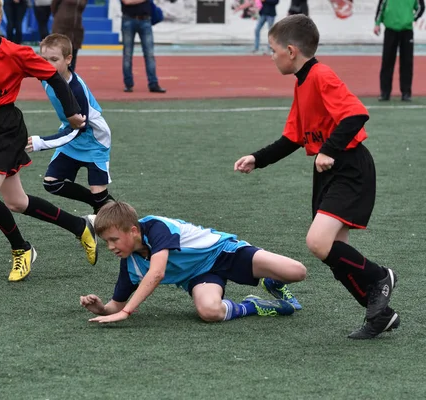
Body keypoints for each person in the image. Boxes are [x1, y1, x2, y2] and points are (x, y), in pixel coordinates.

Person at [234, 15, 400, 339]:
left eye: (273, 50)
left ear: (291, 51)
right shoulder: (301, 82)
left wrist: (330, 150)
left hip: (349, 167)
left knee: (317, 242)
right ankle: (379, 314)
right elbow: (293, 138)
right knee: (334, 254)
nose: (271, 56)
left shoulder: (322, 75)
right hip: (328, 172)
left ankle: (381, 277)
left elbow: (355, 114)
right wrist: (258, 158)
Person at [0, 0, 98, 283]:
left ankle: (22, 249)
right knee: (16, 202)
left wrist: (72, 114)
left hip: (9, 127)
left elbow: (54, 77)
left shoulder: (15, 52)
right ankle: (79, 226)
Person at [80, 201, 306, 324]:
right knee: (209, 312)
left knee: (297, 272)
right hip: (199, 277)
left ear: (133, 230)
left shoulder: (157, 227)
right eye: (106, 242)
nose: (110, 247)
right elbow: (114, 307)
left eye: (114, 240)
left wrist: (127, 312)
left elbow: (156, 273)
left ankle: (273, 283)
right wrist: (101, 308)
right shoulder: (130, 265)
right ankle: (254, 305)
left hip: (224, 252)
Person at [26, 34, 114, 215]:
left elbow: (78, 129)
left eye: (54, 59)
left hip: (93, 140)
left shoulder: (76, 89)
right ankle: (101, 204)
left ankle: (114, 214)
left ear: (68, 59)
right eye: (44, 59)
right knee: (52, 183)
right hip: (71, 136)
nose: (47, 64)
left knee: (100, 194)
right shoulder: (45, 76)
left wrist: (40, 142)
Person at [374, 0, 425, 101]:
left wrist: (412, 18)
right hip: (390, 29)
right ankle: (385, 93)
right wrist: (377, 23)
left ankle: (406, 93)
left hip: (407, 30)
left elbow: (421, 7)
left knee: (407, 62)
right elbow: (381, 6)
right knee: (387, 61)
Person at [121, 0, 166, 93]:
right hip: (128, 19)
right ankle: (128, 84)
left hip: (145, 20)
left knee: (149, 54)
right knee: (127, 55)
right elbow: (126, 2)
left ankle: (153, 83)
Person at [51, 0, 87, 71]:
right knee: (59, 53)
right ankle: (56, 78)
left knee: (72, 54)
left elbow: (81, 8)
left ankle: (70, 78)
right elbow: (54, 6)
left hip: (76, 28)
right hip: (61, 26)